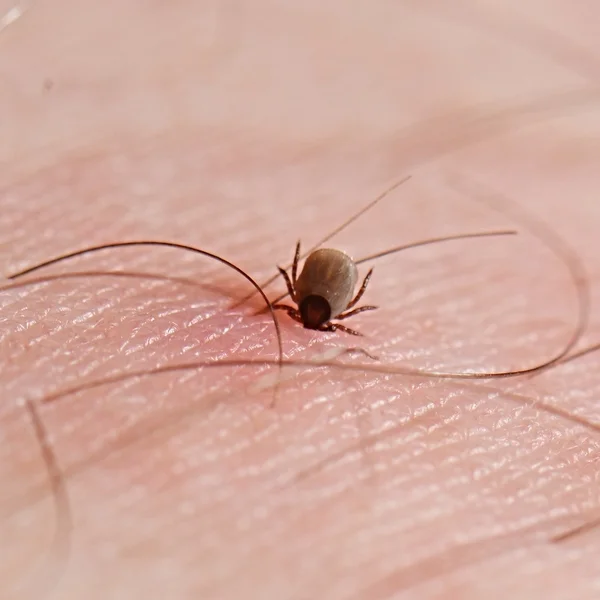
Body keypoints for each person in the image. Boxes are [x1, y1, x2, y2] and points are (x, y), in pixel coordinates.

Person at [2, 2, 599, 599]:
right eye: (310, 316)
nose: (307, 321)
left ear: (317, 307)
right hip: (328, 273)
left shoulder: (308, 299)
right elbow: (345, 290)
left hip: (321, 271)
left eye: (310, 316)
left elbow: (312, 287)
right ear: (326, 311)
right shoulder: (333, 306)